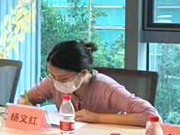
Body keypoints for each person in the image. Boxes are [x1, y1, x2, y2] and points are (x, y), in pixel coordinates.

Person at [19, 41, 157, 126]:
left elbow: (151, 116)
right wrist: (26, 105)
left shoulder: (106, 88)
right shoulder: (52, 81)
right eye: (51, 75)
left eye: (62, 78)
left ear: (83, 73)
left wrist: (97, 118)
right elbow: (26, 98)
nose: (56, 82)